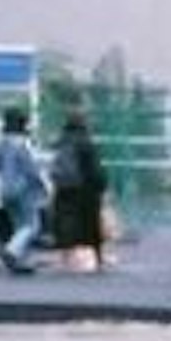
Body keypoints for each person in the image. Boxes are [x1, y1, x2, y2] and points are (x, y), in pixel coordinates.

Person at [0, 106, 50, 273]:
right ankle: (11, 251)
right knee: (32, 225)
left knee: (18, 225)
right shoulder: (23, 143)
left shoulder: (1, 142)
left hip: (4, 189)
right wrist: (43, 186)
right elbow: (32, 168)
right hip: (22, 189)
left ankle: (19, 261)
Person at [48, 111, 109, 271]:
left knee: (65, 222)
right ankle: (97, 258)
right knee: (90, 224)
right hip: (85, 189)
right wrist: (102, 186)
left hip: (63, 187)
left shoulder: (61, 141)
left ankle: (66, 258)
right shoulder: (85, 142)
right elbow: (94, 169)